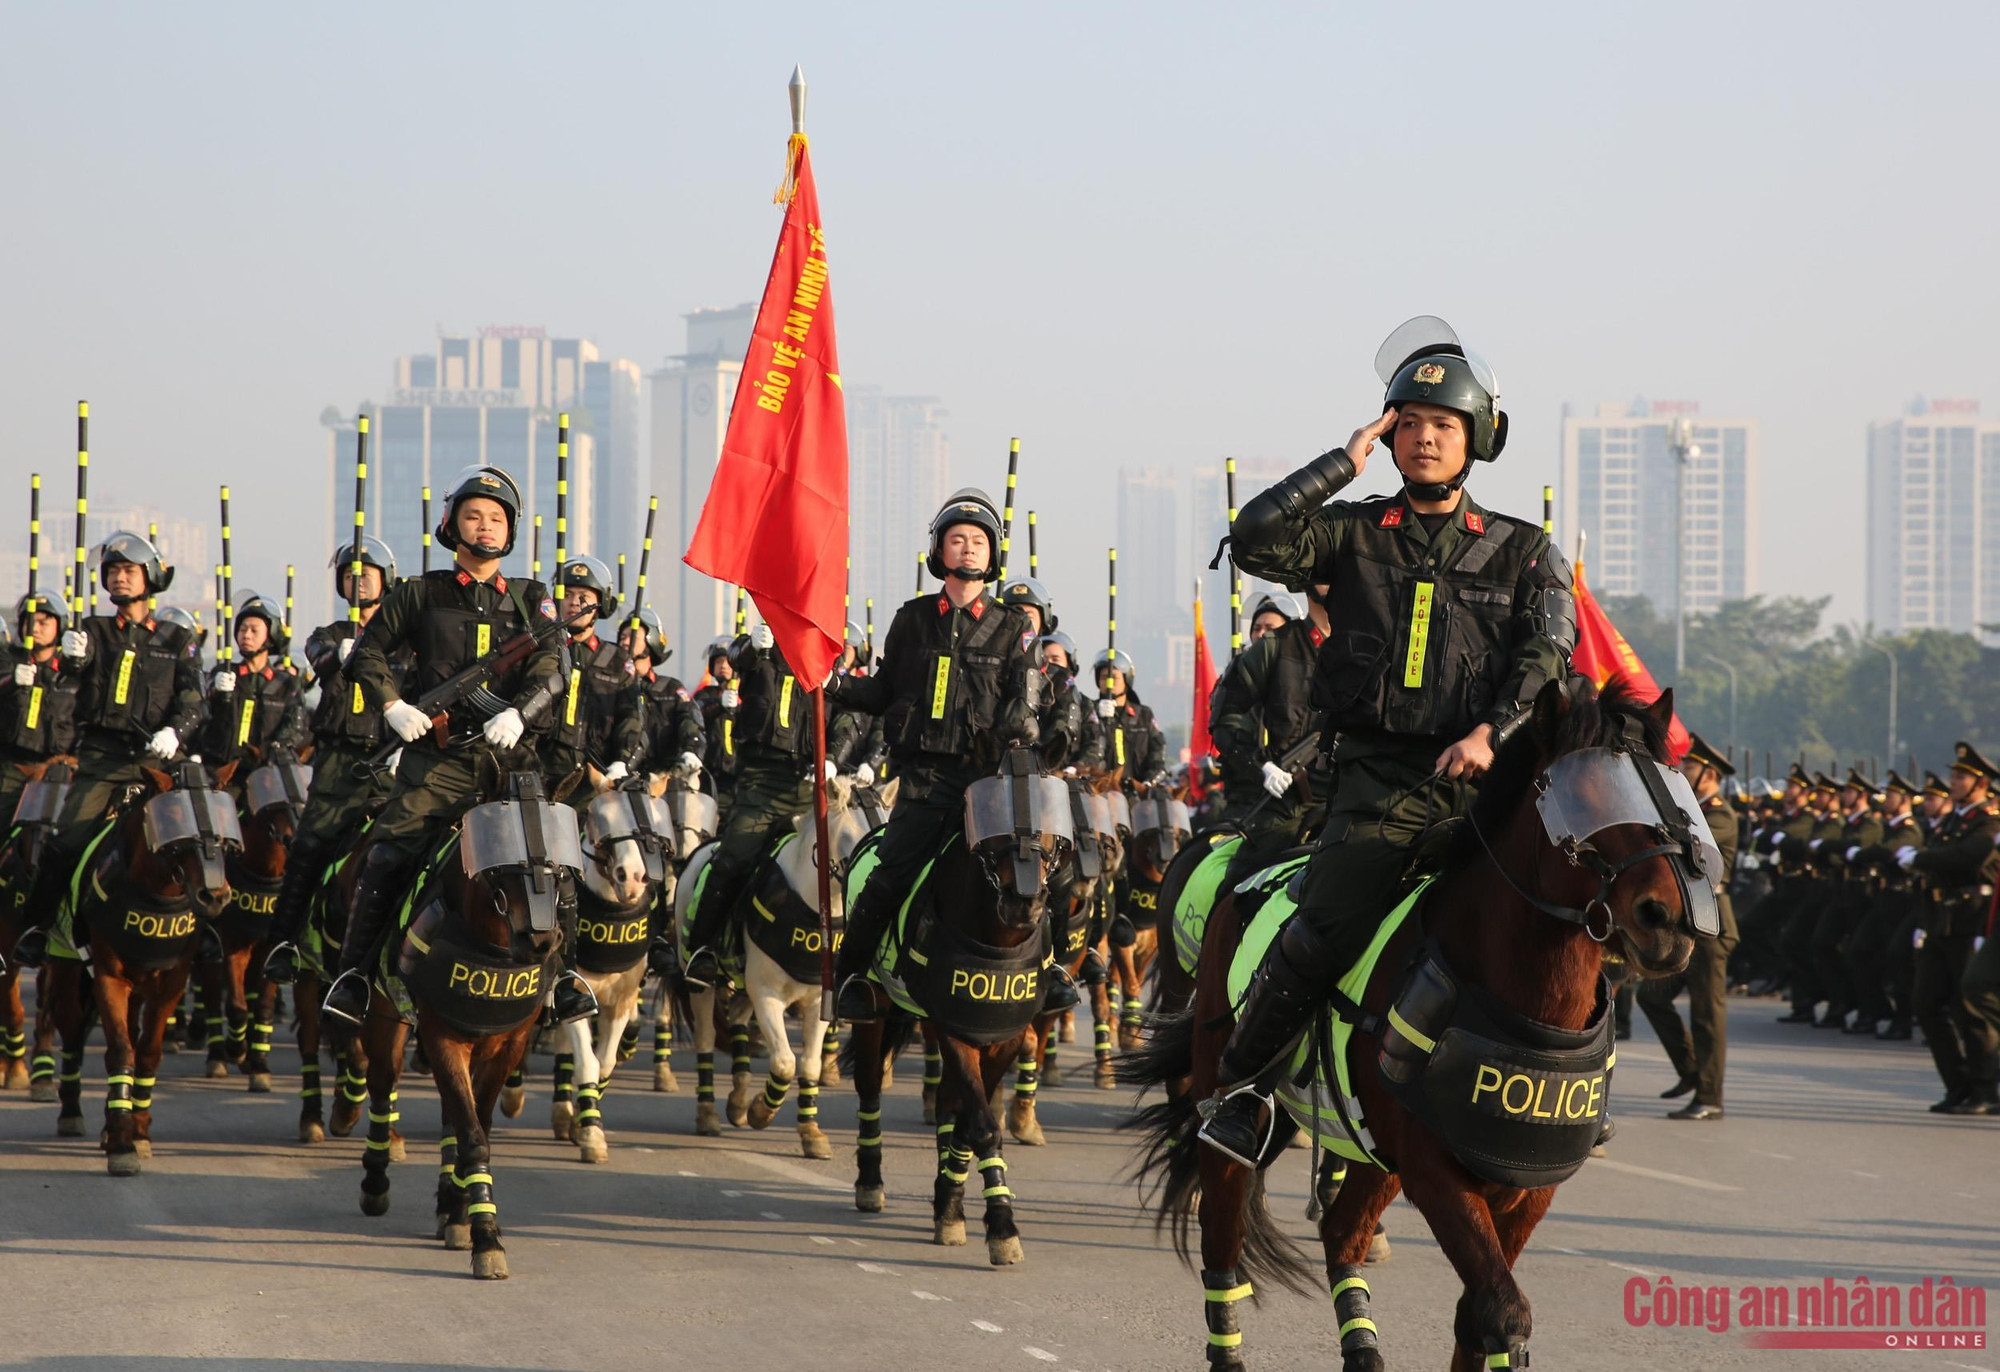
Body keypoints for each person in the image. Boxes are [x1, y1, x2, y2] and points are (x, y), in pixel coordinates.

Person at [1197, 317, 1575, 1166]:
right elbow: (1256, 536)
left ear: (1477, 439)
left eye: (1442, 425)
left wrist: (1493, 730)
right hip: (1378, 787)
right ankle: (1243, 1089)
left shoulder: (1525, 551)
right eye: (1407, 423)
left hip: (1489, 790)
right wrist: (1344, 461)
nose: (1425, 437)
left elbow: (1550, 653)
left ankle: (1574, 1084)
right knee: (1322, 928)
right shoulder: (1351, 532)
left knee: (1577, 913)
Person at [318, 465, 593, 1027]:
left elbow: (553, 668)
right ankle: (355, 977)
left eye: (497, 519)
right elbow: (367, 654)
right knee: (389, 854)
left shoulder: (532, 599)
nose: (486, 527)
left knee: (557, 859)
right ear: (451, 524)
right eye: (474, 515)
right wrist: (394, 707)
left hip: (510, 762)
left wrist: (521, 712)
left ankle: (562, 976)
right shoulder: (420, 593)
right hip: (437, 762)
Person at [826, 488, 1062, 1022]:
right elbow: (882, 691)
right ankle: (850, 980)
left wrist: (1015, 735)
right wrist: (833, 682)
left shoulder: (1013, 628)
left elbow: (1024, 701)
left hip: (988, 788)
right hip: (926, 783)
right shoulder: (911, 621)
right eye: (958, 539)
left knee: (1042, 871)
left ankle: (1055, 969)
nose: (968, 549)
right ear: (939, 551)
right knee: (885, 879)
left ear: (992, 554)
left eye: (979, 541)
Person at [11, 534, 205, 968]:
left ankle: (208, 931)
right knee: (65, 841)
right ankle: (38, 929)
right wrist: (71, 658)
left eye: (129, 571)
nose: (119, 578)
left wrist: (176, 731)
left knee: (202, 838)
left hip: (157, 762)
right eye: (113, 571)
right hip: (102, 760)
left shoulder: (177, 638)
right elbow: (68, 685)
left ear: (150, 578)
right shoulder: (92, 631)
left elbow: (196, 700)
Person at [263, 539, 402, 984]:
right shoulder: (329, 635)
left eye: (366, 573)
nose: (357, 580)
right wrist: (341, 654)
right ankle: (283, 943)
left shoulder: (408, 641)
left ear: (386, 580)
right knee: (306, 849)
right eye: (349, 574)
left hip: (392, 765)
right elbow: (318, 657)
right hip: (339, 766)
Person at [678, 624, 819, 992]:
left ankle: (854, 965)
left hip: (806, 784)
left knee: (841, 863)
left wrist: (834, 756)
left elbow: (843, 714)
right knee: (731, 862)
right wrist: (755, 647)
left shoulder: (821, 653)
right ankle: (702, 949)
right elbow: (740, 657)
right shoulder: (760, 643)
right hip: (760, 783)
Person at [1637, 733, 1740, 1120]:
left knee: (1707, 1013)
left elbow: (1692, 848)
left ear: (1709, 774)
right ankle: (1691, 1071)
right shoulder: (1694, 809)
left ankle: (1710, 1097)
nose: (1685, 771)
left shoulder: (1720, 815)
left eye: (1692, 767)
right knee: (1652, 996)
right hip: (1691, 921)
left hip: (1712, 923)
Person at [1209, 584, 1331, 890]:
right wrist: (1261, 766)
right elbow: (1226, 718)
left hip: (1356, 799)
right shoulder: (1277, 646)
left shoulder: (1373, 646)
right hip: (1289, 800)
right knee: (1238, 887)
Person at [1907, 742, 2000, 1114]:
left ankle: (1984, 1088)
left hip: (1970, 918)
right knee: (1926, 1003)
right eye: (1955, 775)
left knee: (1968, 1008)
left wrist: (1920, 858)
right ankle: (1958, 1083)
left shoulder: (1988, 821)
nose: (1954, 781)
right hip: (1941, 920)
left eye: (1961, 776)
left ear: (1981, 783)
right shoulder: (1953, 819)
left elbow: (1966, 858)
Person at [537, 556, 644, 790]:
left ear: (600, 605)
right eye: (567, 594)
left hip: (593, 777)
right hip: (538, 769)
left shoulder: (618, 661)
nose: (574, 603)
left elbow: (631, 718)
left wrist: (622, 761)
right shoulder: (540, 648)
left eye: (584, 597)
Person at [194, 593, 309, 786]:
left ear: (270, 636)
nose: (246, 635)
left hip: (265, 776)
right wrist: (216, 690)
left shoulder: (287, 684)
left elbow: (295, 725)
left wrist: (275, 750)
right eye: (242, 629)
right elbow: (201, 705)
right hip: (221, 774)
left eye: (254, 630)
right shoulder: (224, 673)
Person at [0, 591, 80, 817]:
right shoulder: (8, 662)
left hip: (56, 769)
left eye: (44, 622)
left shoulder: (73, 675)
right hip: (12, 766)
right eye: (29, 621)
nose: (35, 628)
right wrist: (12, 681)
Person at [1087, 649, 1166, 784]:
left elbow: (1157, 756)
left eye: (1114, 677)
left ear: (1126, 679)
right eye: (1104, 677)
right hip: (1100, 792)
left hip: (1136, 792)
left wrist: (1148, 783)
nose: (1108, 682)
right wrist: (1099, 721)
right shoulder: (1088, 712)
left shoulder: (1144, 716)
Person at [691, 637, 739, 807]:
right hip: (714, 773)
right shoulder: (706, 694)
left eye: (727, 660)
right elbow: (696, 713)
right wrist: (720, 704)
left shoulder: (749, 694)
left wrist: (739, 706)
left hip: (742, 773)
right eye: (718, 661)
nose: (723, 665)